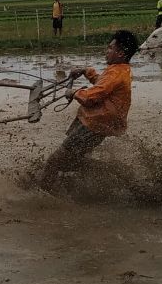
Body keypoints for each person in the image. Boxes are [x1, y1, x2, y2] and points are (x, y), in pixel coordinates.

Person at [38, 30, 139, 188]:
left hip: (93, 125)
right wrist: (87, 72)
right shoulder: (120, 70)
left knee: (54, 161)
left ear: (120, 52)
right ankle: (103, 173)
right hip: (96, 122)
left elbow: (91, 97)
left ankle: (40, 196)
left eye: (110, 48)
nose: (107, 51)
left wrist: (74, 92)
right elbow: (103, 85)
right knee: (72, 159)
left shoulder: (116, 74)